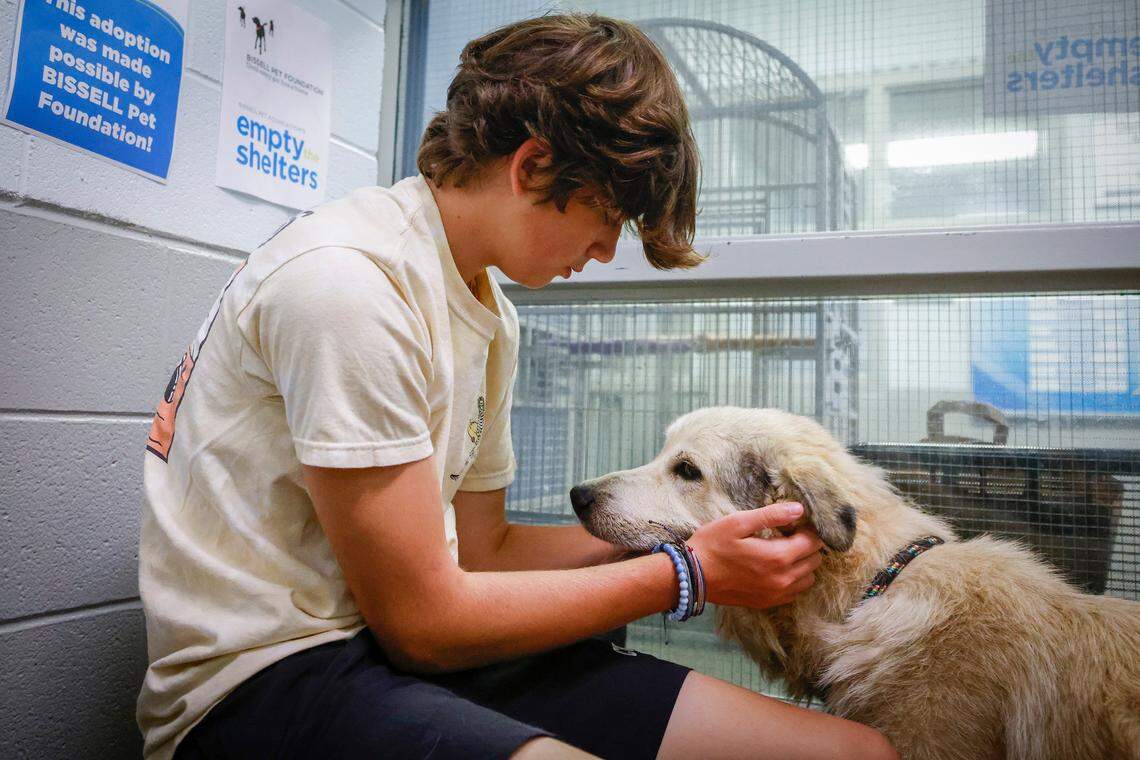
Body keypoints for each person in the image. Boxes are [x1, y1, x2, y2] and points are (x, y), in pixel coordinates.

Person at [137, 13, 898, 760]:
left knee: (857, 750)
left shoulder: (489, 316)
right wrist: (688, 578)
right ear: (532, 167)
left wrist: (686, 541)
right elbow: (424, 622)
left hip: (400, 652)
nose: (604, 250)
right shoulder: (350, 286)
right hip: (268, 682)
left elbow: (485, 553)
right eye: (606, 214)